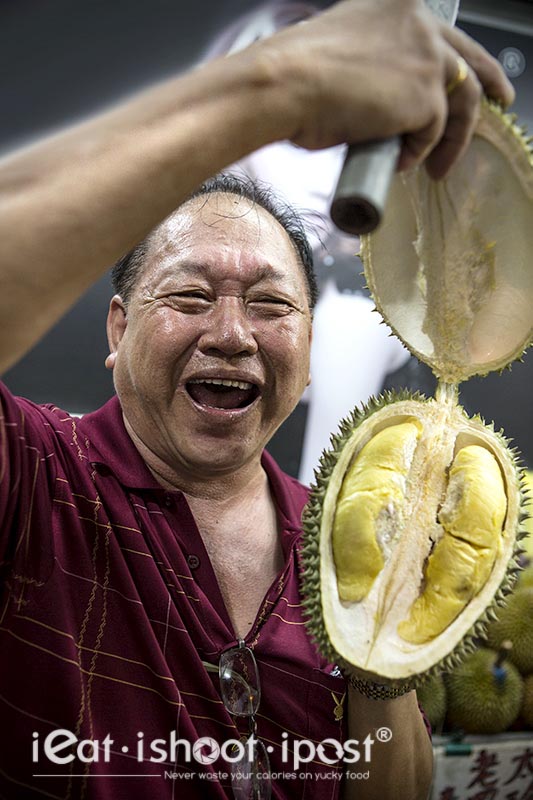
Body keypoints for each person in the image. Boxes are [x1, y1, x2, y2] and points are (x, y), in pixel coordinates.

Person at [0, 1, 514, 798]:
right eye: (191, 294)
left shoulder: (334, 543)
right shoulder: (34, 475)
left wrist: (386, 647)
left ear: (308, 355)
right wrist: (278, 82)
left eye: (273, 306)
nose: (233, 334)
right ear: (117, 327)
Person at [203, 1, 410, 485]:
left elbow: (322, 502)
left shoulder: (352, 315)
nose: (327, 167)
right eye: (296, 135)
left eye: (349, 142)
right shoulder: (187, 266)